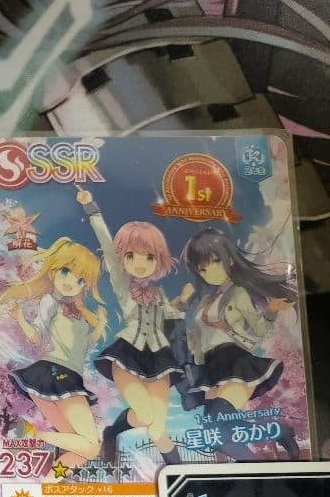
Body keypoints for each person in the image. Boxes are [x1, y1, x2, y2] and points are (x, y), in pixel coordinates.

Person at [76, 188, 185, 465]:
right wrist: (92, 209)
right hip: (127, 354)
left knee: (157, 429)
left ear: (159, 259)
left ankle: (183, 475)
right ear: (122, 257)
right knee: (146, 416)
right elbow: (107, 246)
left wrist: (182, 302)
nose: (140, 264)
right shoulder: (123, 285)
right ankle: (113, 432)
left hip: (160, 358)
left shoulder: (159, 294)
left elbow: (172, 317)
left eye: (149, 257)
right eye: (131, 256)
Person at [177, 227, 300, 460]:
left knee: (217, 431)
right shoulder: (205, 300)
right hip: (211, 368)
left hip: (235, 362)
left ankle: (261, 470)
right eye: (202, 269)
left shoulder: (239, 293)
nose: (210, 272)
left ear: (230, 260)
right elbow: (194, 340)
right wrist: (181, 308)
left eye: (215, 262)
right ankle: (278, 432)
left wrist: (270, 311)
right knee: (214, 434)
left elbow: (257, 331)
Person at [0, 237, 107, 469]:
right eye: (66, 271)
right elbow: (37, 335)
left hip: (66, 377)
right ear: (54, 270)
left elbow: (85, 345)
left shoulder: (77, 313)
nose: (71, 282)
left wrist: (99, 326)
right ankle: (33, 434)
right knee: (92, 447)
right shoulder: (50, 301)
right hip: (57, 374)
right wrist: (20, 319)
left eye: (80, 280)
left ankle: (50, 483)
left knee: (81, 451)